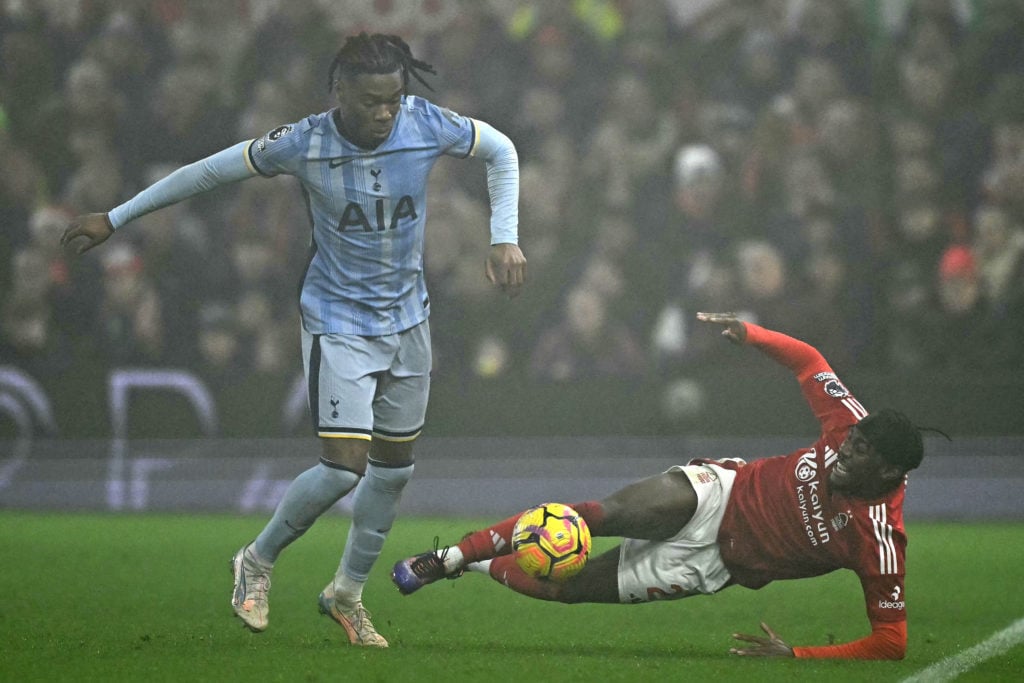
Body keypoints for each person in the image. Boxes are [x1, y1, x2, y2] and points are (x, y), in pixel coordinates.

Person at [61, 32, 526, 648]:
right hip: (337, 320)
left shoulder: (427, 123)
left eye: (394, 99)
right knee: (343, 469)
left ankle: (347, 594)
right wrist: (115, 218)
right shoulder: (304, 142)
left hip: (410, 320)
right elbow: (207, 173)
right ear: (339, 92)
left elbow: (502, 150)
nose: (385, 113)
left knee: (392, 473)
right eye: (370, 102)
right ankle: (256, 559)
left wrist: (504, 235)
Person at [393, 311, 930, 660]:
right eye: (851, 440)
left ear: (887, 473)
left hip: (714, 564)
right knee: (593, 516)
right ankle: (447, 558)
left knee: (564, 588)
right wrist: (753, 334)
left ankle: (484, 561)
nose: (845, 452)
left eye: (859, 453)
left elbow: (892, 642)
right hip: (720, 491)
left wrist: (797, 656)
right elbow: (809, 361)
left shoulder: (879, 540)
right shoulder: (846, 421)